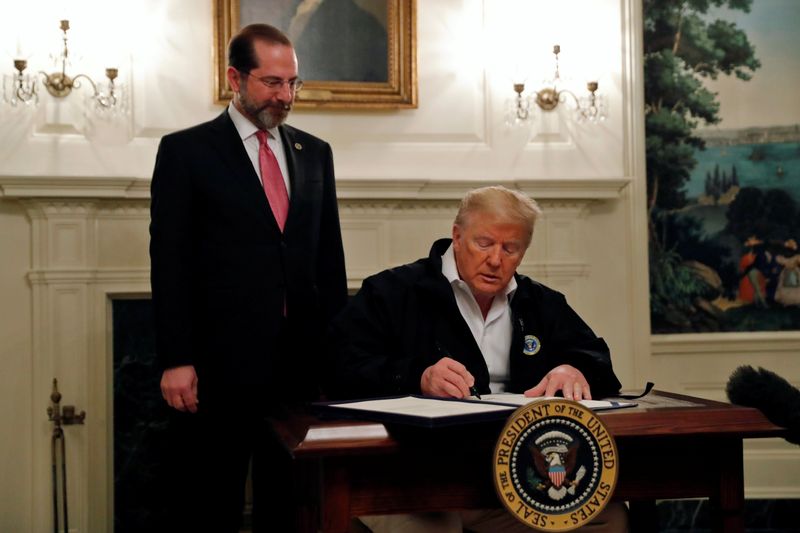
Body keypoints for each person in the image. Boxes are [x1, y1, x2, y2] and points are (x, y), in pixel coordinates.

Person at [324, 186, 625, 532]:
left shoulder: (540, 302)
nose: (496, 260)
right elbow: (339, 367)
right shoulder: (392, 291)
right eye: (484, 244)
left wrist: (573, 368)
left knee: (607, 516)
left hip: (509, 479)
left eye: (510, 248)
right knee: (436, 526)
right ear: (456, 235)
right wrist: (417, 377)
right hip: (406, 476)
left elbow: (598, 361)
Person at [149, 23, 347, 532]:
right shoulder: (186, 152)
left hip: (297, 367)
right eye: (272, 82)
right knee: (210, 502)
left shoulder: (315, 152)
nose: (285, 96)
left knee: (292, 504)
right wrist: (177, 359)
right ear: (235, 77)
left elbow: (329, 262)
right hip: (217, 368)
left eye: (293, 84)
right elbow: (170, 263)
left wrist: (338, 356)